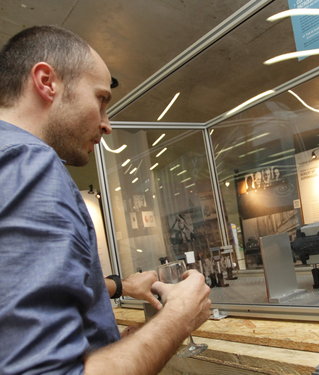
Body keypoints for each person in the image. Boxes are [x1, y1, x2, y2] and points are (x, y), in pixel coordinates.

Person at [0, 25, 211, 375]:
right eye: (100, 99)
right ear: (45, 81)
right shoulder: (28, 162)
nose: (107, 124)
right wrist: (180, 317)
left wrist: (118, 294)